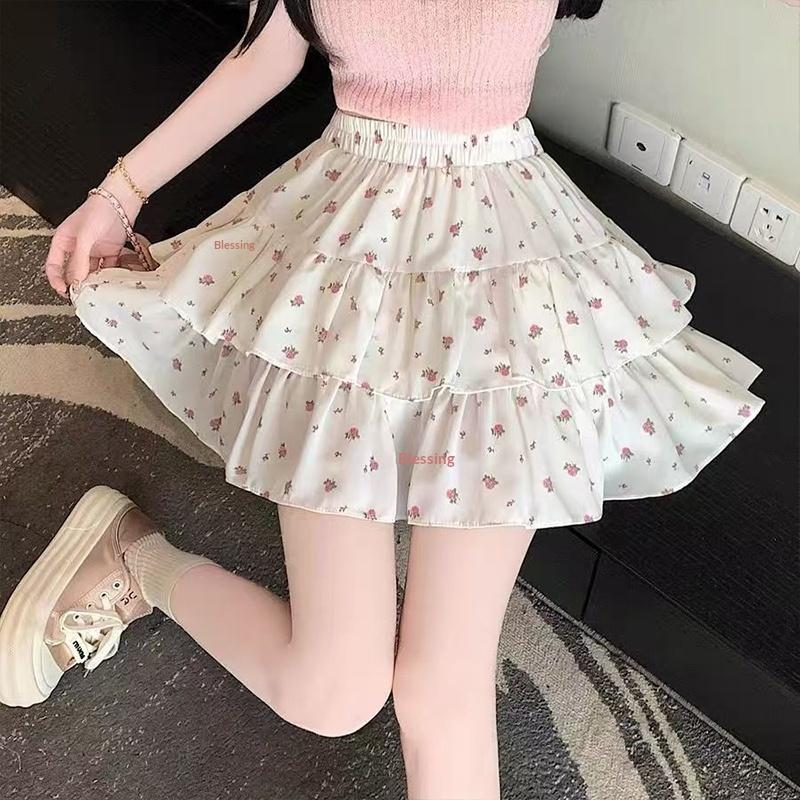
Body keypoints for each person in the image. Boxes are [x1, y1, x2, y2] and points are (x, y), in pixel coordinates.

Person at [0, 2, 765, 798]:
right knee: (331, 693)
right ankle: (136, 558)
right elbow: (265, 53)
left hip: (503, 267)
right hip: (352, 249)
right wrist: (118, 195)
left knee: (443, 689)